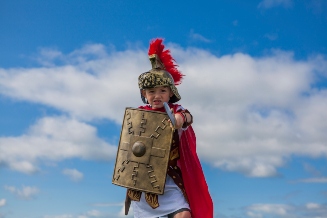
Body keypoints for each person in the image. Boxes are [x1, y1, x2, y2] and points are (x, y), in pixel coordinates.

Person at [125, 38, 213, 218]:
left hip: (170, 179)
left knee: (184, 215)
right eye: (151, 91)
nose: (157, 96)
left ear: (171, 92)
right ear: (144, 94)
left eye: (162, 91)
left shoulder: (176, 110)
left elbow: (188, 117)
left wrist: (180, 119)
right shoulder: (138, 115)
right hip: (144, 182)